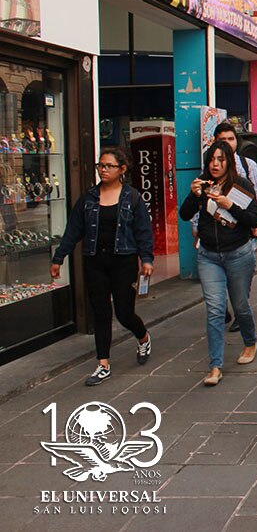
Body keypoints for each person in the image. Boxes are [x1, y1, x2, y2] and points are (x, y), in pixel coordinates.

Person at [51, 148, 153, 386]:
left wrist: (146, 259)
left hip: (124, 261)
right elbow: (73, 230)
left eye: (109, 166)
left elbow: (143, 231)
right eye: (101, 166)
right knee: (101, 312)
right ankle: (103, 364)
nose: (103, 170)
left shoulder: (133, 198)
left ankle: (143, 336)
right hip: (95, 261)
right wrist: (59, 257)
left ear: (122, 170)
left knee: (124, 313)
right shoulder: (88, 198)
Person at [180, 141, 257, 387]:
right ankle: (215, 366)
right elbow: (184, 214)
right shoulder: (203, 186)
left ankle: (250, 341)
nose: (215, 164)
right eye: (212, 160)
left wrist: (230, 205)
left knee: (240, 305)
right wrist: (194, 196)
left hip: (238, 253)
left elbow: (253, 219)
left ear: (229, 162)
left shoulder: (241, 186)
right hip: (208, 255)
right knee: (214, 309)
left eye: (220, 159)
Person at [195, 122, 257, 332]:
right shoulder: (210, 168)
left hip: (241, 231)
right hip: (211, 238)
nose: (227, 143)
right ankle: (221, 307)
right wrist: (195, 227)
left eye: (231, 139)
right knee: (216, 286)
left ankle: (239, 313)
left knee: (239, 284)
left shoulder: (247, 165)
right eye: (222, 140)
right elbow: (198, 201)